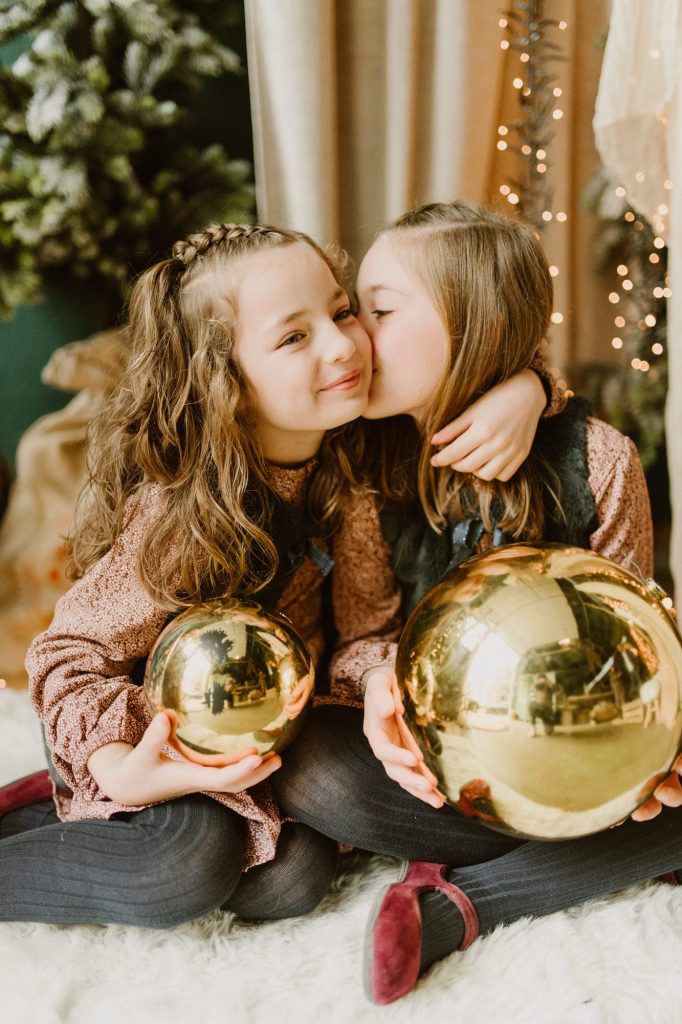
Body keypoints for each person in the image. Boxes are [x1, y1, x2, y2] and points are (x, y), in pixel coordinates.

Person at [0, 218, 548, 928]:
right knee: (183, 869)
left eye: (342, 309)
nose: (343, 343)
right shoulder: (180, 512)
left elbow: (364, 627)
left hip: (251, 731)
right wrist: (115, 766)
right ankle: (78, 799)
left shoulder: (350, 464)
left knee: (290, 884)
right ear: (226, 380)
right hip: (133, 727)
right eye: (294, 337)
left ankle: (47, 813)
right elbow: (70, 654)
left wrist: (530, 386)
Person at [270, 202, 682, 1005]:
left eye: (378, 311)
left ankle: (466, 904)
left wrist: (651, 757)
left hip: (566, 750)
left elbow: (638, 644)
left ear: (472, 320)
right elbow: (358, 636)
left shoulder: (597, 458)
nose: (353, 338)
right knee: (315, 774)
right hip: (430, 758)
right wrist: (382, 681)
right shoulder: (361, 464)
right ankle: (579, 854)